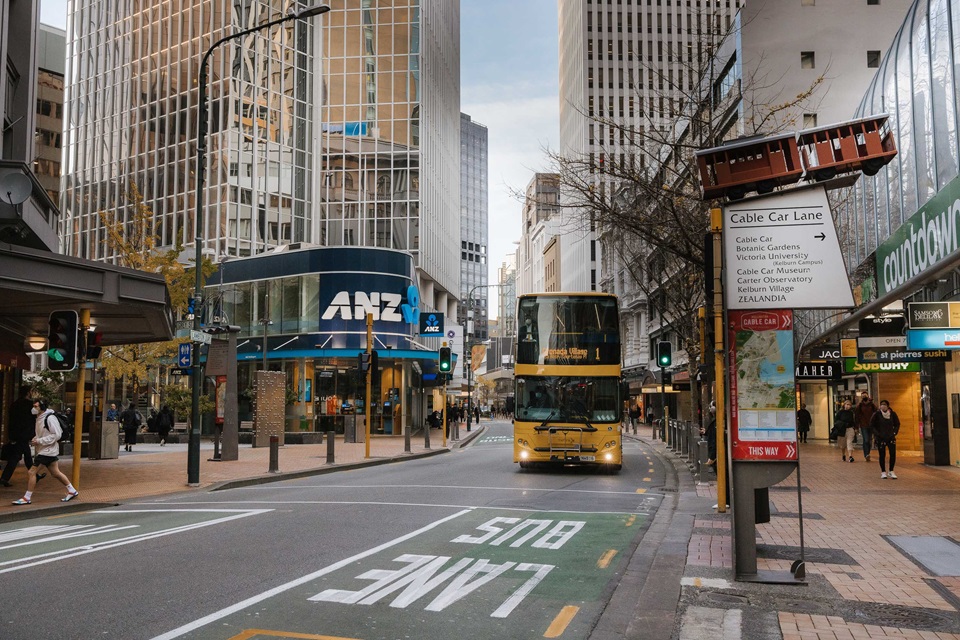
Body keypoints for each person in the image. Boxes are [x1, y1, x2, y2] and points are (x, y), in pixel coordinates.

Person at [12, 399, 79, 505]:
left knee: (32, 472)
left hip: (47, 451)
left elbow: (57, 434)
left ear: (42, 407)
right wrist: (36, 439)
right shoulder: (39, 418)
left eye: (36, 406)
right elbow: (43, 433)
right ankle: (72, 490)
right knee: (55, 473)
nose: (33, 408)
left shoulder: (50, 418)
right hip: (47, 450)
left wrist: (39, 441)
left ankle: (27, 497)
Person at [1, 385, 44, 488]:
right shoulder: (29, 405)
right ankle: (5, 478)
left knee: (24, 455)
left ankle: (6, 478)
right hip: (24, 434)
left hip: (16, 433)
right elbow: (35, 417)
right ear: (28, 393)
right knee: (17, 457)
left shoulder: (14, 404)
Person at [870, 399, 900, 479]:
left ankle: (891, 470)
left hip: (890, 437)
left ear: (888, 406)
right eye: (881, 404)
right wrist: (877, 434)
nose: (883, 406)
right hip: (881, 438)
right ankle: (883, 471)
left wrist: (894, 432)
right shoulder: (876, 414)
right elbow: (872, 425)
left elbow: (897, 424)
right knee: (882, 454)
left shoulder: (892, 414)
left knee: (893, 454)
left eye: (884, 405)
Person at [855, 392, 878, 461]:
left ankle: (868, 453)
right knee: (866, 440)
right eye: (862, 396)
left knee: (870, 440)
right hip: (863, 425)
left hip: (871, 425)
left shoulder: (872, 405)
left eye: (865, 395)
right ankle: (866, 454)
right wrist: (856, 427)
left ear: (868, 396)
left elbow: (876, 413)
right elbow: (857, 416)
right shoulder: (860, 406)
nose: (864, 397)